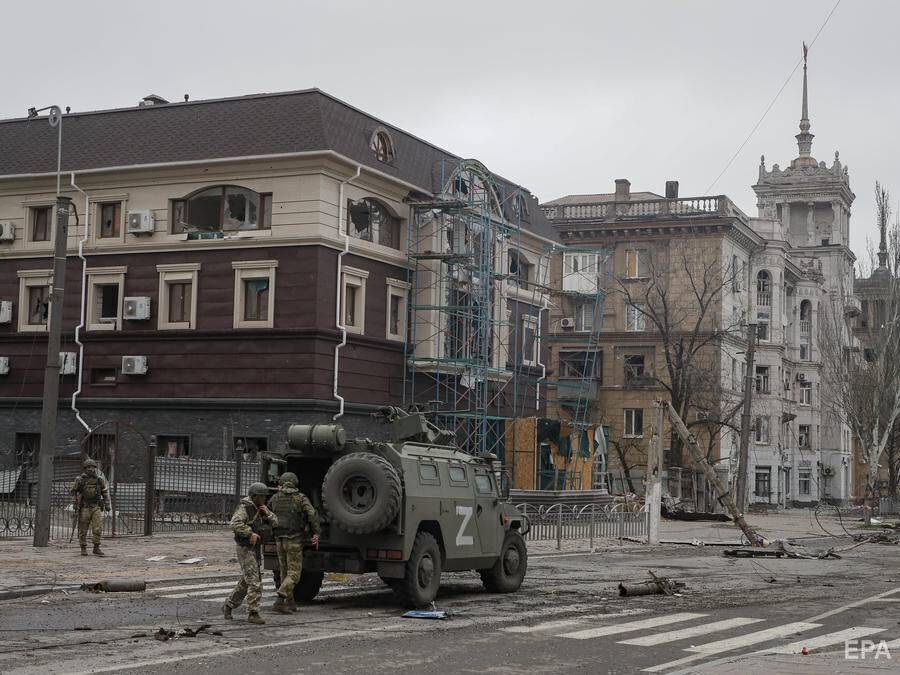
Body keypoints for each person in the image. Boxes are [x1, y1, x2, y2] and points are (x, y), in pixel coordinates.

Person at [223, 482, 278, 625]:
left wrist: (268, 513)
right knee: (254, 582)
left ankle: (228, 605)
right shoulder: (245, 508)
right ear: (254, 496)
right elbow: (234, 524)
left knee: (246, 582)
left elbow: (276, 523)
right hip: (245, 548)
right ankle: (253, 613)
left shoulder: (261, 508)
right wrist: (250, 533)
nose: (264, 499)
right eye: (262, 497)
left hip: (255, 549)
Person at [267, 472, 320, 614]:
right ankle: (280, 600)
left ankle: (290, 603)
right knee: (294, 574)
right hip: (294, 540)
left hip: (279, 539)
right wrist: (316, 532)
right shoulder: (300, 498)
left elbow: (267, 515)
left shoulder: (274, 498)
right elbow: (312, 514)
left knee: (284, 572)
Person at [70, 458, 110, 557]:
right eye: (88, 467)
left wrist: (107, 504)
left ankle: (96, 547)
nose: (90, 469)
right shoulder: (80, 480)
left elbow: (104, 492)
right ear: (85, 468)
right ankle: (83, 547)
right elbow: (73, 491)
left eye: (92, 467)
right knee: (83, 529)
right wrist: (74, 502)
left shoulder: (99, 479)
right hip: (85, 507)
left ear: (95, 468)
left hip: (96, 506)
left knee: (97, 528)